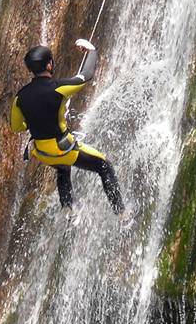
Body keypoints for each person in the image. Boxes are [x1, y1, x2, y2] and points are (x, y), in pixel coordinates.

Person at [10, 38, 124, 215]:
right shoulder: (58, 88)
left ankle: (67, 209)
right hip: (63, 148)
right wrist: (91, 51)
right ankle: (122, 214)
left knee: (63, 167)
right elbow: (85, 76)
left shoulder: (20, 97)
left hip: (42, 153)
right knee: (104, 166)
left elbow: (18, 127)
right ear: (49, 65)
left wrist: (36, 119)